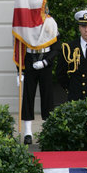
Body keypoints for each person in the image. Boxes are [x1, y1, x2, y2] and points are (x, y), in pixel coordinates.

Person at [21, 9, 60, 144]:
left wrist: (46, 61)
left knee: (47, 95)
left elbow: (56, 47)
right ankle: (27, 132)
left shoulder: (50, 22)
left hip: (45, 61)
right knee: (28, 96)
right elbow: (19, 47)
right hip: (30, 59)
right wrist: (19, 70)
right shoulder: (25, 22)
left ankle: (47, 129)